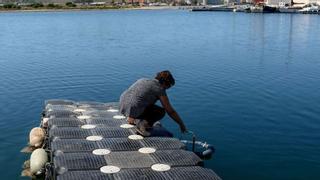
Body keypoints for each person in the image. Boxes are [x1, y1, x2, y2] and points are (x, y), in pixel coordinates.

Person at [119, 70, 187, 136]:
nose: (166, 89)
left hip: (122, 105)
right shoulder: (159, 88)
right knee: (160, 112)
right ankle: (142, 125)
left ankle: (131, 118)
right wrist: (181, 124)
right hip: (133, 107)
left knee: (144, 102)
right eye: (168, 87)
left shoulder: (143, 79)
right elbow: (170, 111)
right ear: (164, 83)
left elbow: (137, 96)